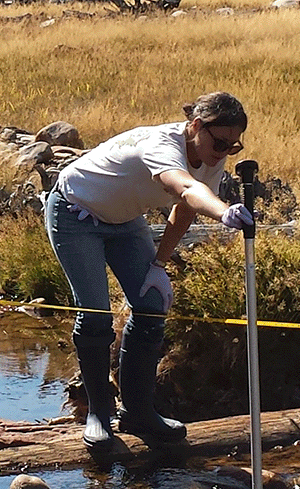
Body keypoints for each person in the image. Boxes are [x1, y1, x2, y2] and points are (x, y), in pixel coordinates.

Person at [44, 92, 255, 450]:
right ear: (196, 126)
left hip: (124, 221)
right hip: (75, 211)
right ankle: (99, 412)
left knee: (151, 305)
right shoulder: (162, 144)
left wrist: (158, 265)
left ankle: (139, 412)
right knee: (96, 313)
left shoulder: (210, 154)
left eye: (233, 147)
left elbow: (185, 209)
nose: (223, 152)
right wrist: (223, 213)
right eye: (220, 142)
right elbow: (185, 187)